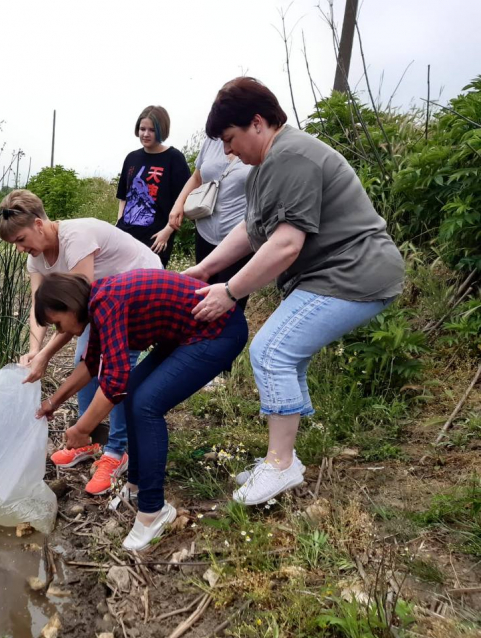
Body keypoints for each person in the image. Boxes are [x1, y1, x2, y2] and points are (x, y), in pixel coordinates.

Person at [184, 77, 405, 505]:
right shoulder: (264, 167)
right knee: (288, 353)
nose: (228, 151)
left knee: (271, 351)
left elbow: (285, 245)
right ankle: (282, 458)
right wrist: (204, 269)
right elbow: (251, 230)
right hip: (330, 274)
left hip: (354, 272)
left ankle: (281, 465)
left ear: (258, 122)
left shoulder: (293, 156)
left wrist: (228, 292)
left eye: (230, 139)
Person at [34, 271, 247, 551]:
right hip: (185, 334)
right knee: (135, 391)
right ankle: (135, 486)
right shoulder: (98, 303)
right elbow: (91, 364)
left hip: (218, 332)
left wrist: (82, 429)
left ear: (69, 304)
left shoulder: (106, 301)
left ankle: (154, 511)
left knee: (146, 405)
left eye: (58, 324)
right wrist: (53, 402)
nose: (62, 332)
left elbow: (114, 381)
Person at [0, 189, 162, 495]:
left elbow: (77, 310)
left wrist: (46, 356)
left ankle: (117, 451)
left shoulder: (76, 238)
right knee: (83, 363)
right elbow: (39, 307)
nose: (19, 249)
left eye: (21, 240)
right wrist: (35, 350)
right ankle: (90, 440)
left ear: (39, 224)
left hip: (140, 293)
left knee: (115, 370)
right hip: (104, 300)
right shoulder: (36, 259)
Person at [168, 136, 253, 309]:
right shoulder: (211, 141)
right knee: (201, 293)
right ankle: (201, 334)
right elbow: (197, 177)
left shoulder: (254, 143)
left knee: (230, 302)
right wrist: (179, 204)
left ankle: (229, 335)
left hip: (239, 236)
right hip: (205, 230)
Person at [116, 105, 191, 267]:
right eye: (142, 129)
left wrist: (167, 232)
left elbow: (184, 199)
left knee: (150, 287)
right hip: (126, 237)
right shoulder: (131, 158)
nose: (145, 134)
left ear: (161, 130)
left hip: (156, 239)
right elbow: (123, 196)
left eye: (152, 130)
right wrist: (118, 226)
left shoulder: (174, 158)